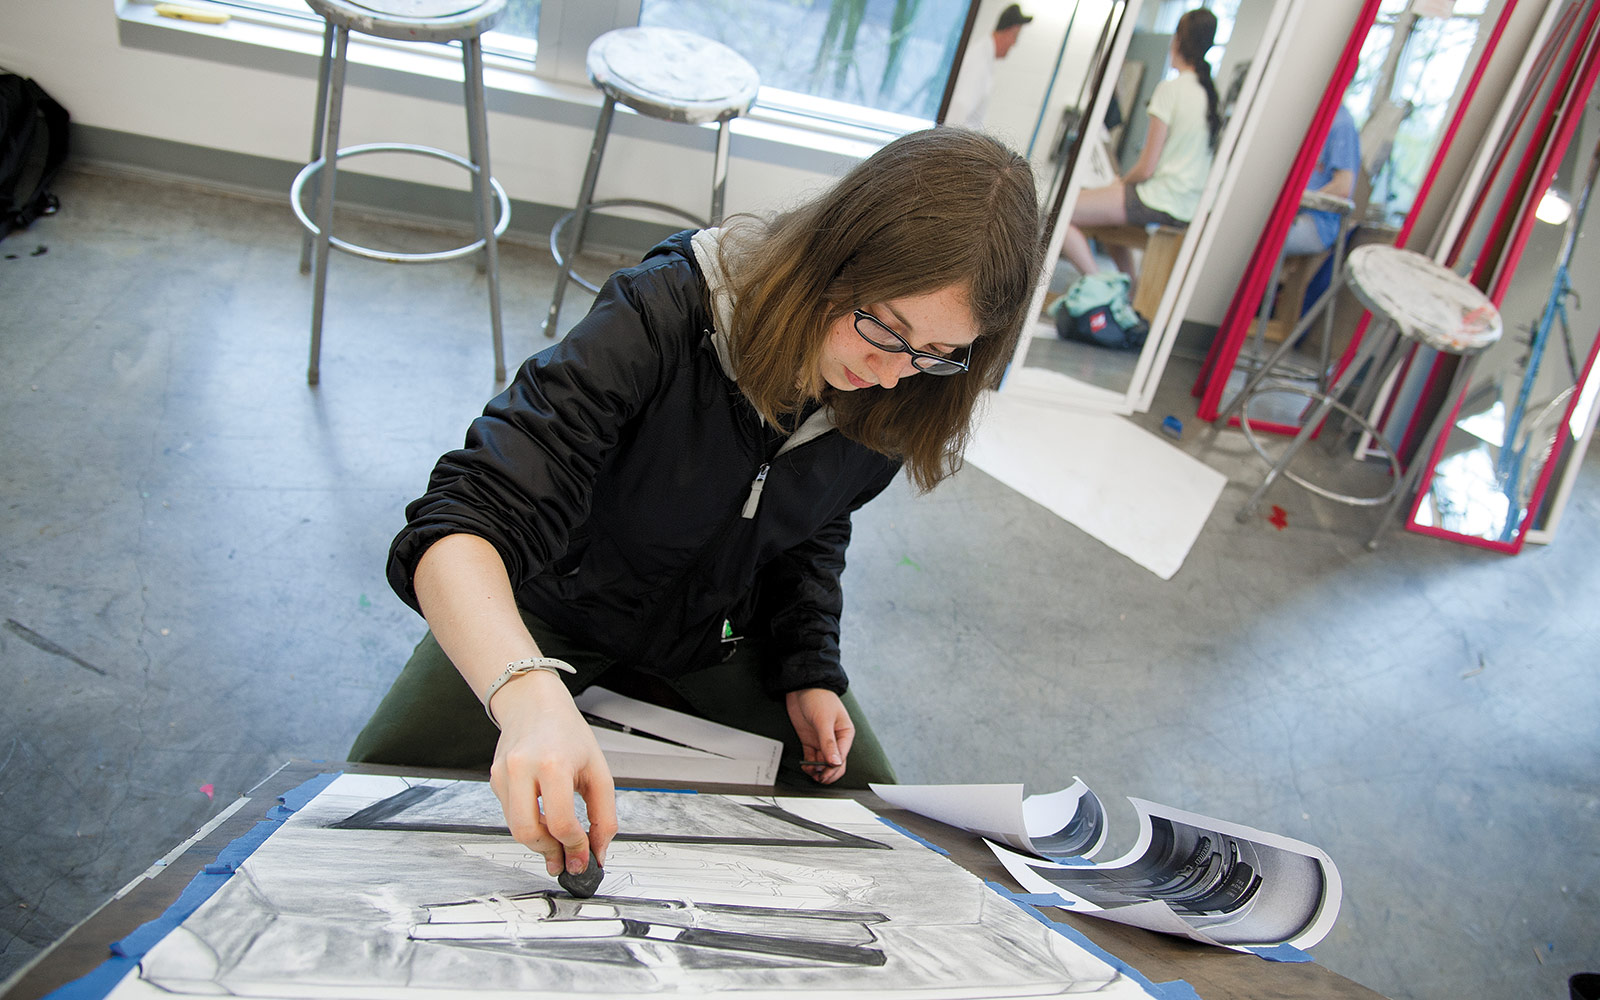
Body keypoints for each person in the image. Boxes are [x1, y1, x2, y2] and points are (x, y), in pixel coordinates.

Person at [348, 127, 1043, 885]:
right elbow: (463, 519)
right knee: (367, 795)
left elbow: (811, 521)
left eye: (936, 353)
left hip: (719, 634)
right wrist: (525, 691)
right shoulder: (668, 312)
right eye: (884, 327)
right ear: (832, 253)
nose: (889, 374)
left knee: (883, 831)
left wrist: (809, 665)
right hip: (554, 609)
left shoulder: (907, 385)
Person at [1059, 8, 1221, 282]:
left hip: (1160, 198)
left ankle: (1101, 289)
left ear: (1178, 41)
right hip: (1189, 205)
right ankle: (1127, 291)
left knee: (1060, 209)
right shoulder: (1209, 94)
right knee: (1108, 214)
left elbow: (1147, 168)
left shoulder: (1171, 89)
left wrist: (1119, 183)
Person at [1282, 104, 1359, 256]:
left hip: (1316, 222)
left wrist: (1298, 201)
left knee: (1264, 235)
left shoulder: (1342, 124)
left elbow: (1343, 187)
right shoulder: (1312, 113)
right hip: (1296, 211)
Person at [945, 3, 1033, 130]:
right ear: (1009, 31)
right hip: (957, 142)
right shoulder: (978, 59)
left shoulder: (985, 57)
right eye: (1015, 37)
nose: (1014, 44)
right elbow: (960, 107)